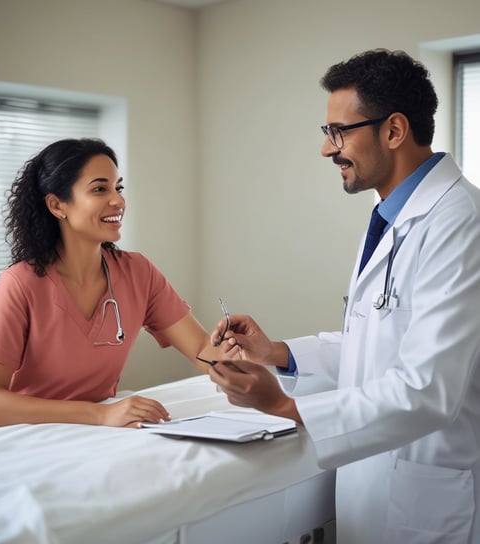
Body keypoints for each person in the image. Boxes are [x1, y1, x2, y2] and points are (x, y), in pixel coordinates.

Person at [208, 49, 480, 544]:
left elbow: (428, 390)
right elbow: (376, 342)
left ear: (393, 131)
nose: (327, 149)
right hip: (377, 486)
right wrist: (277, 354)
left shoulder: (460, 222)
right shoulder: (391, 217)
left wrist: (288, 408)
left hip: (430, 497)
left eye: (339, 132)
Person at [0, 138, 238, 434]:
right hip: (18, 436)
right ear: (57, 205)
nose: (118, 200)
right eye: (100, 189)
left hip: (91, 434)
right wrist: (100, 414)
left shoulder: (138, 273)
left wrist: (233, 354)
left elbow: (201, 348)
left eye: (118, 188)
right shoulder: (20, 284)